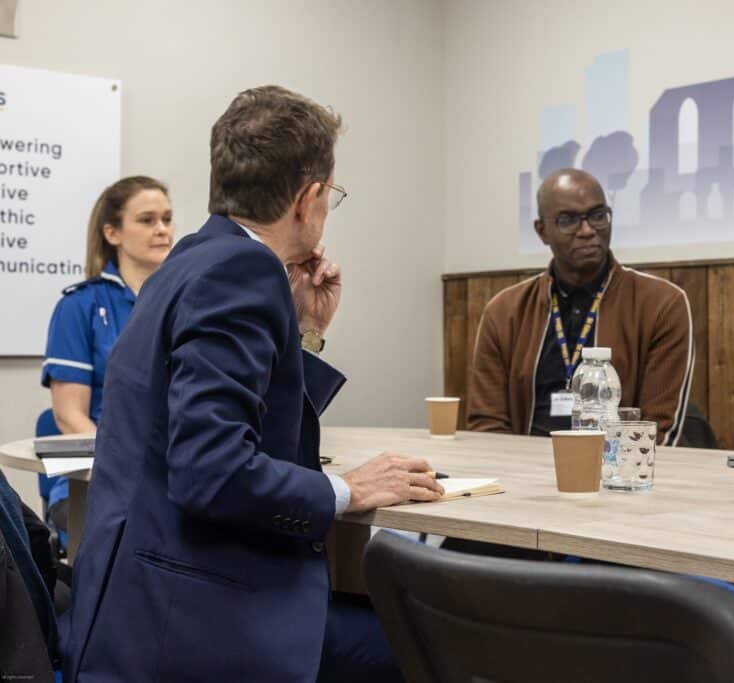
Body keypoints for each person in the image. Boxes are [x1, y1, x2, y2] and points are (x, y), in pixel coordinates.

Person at [62, 85, 444, 682]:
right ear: (308, 198)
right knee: (430, 652)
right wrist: (343, 490)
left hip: (136, 605)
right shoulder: (243, 271)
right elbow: (210, 469)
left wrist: (306, 332)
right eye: (330, 197)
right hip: (191, 623)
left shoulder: (191, 259)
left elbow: (249, 423)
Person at [467, 168, 694, 445]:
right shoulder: (504, 311)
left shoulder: (661, 303)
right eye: (568, 220)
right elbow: (486, 425)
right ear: (542, 231)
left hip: (617, 476)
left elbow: (658, 429)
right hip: (522, 476)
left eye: (598, 216)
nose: (587, 231)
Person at [38, 176, 174, 549]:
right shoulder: (78, 307)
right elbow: (68, 417)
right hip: (93, 481)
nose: (162, 230)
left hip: (173, 475)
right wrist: (135, 470)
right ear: (112, 233)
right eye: (147, 220)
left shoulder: (187, 304)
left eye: (167, 218)